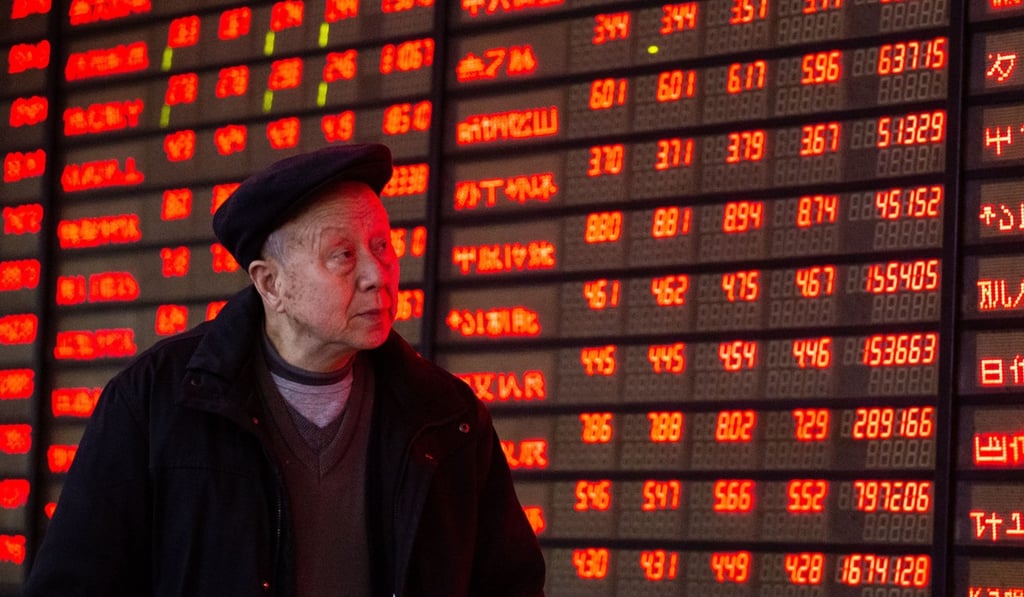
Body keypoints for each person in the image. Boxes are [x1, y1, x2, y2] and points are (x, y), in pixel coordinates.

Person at [23, 143, 546, 596]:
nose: (376, 274)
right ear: (270, 284)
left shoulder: (446, 418)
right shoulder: (155, 403)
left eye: (382, 246)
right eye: (342, 255)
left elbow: (509, 585)